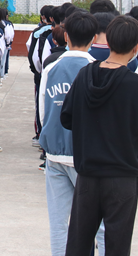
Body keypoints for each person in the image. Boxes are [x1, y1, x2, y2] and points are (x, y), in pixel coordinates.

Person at [61, 16, 138, 256]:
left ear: (107, 42)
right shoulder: (134, 85)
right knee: (118, 245)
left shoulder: (85, 76)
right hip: (121, 178)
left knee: (78, 243)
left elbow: (66, 118)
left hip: (87, 175)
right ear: (136, 48)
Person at [38, 13, 99, 256]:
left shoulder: (51, 67)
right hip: (87, 157)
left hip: (54, 153)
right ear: (94, 38)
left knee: (58, 223)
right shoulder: (97, 69)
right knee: (97, 225)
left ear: (65, 35)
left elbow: (44, 111)